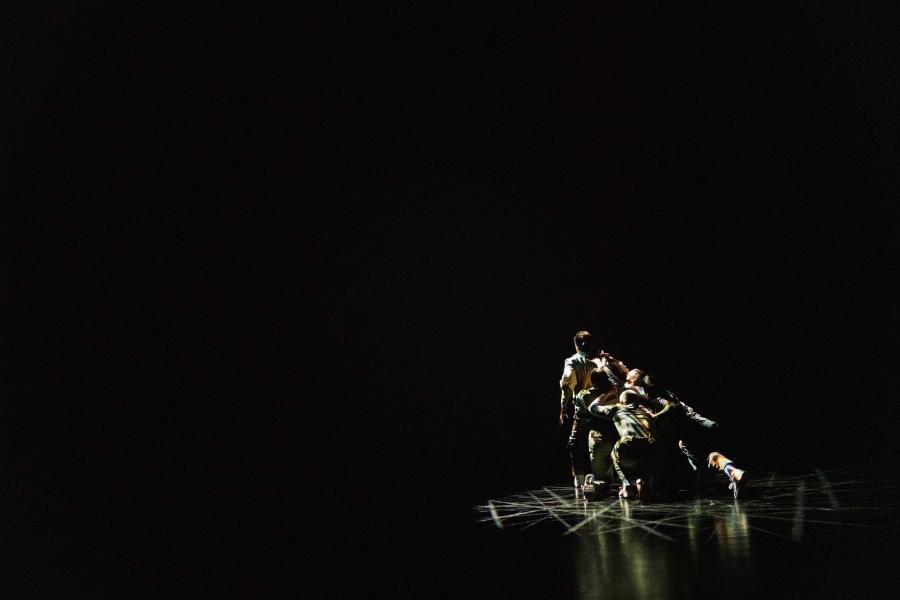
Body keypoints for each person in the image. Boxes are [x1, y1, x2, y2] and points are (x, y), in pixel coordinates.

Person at [624, 368, 749, 499]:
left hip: (691, 428)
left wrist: (656, 416)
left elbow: (672, 406)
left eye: (630, 379)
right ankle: (729, 474)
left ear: (637, 377)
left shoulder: (656, 395)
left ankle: (732, 473)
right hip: (697, 428)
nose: (628, 383)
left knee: (705, 456)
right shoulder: (657, 392)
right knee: (703, 455)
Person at [559, 331, 629, 498]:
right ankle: (616, 478)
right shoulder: (599, 360)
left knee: (575, 444)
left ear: (576, 345)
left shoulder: (572, 361)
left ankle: (580, 479)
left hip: (583, 411)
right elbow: (620, 379)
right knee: (606, 441)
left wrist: (563, 407)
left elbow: (567, 380)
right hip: (602, 410)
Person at [587, 374, 662, 500]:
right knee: (646, 459)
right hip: (651, 448)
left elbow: (592, 408)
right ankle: (644, 481)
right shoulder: (648, 413)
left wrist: (607, 394)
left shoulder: (619, 408)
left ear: (622, 402)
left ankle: (627, 485)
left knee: (615, 453)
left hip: (628, 446)